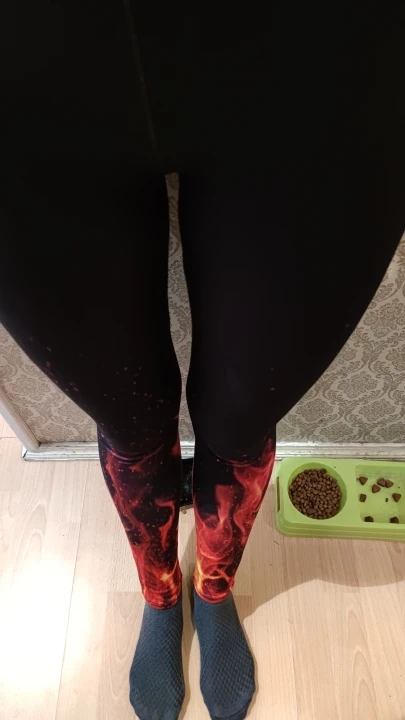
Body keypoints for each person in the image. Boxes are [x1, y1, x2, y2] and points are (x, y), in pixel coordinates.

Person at [0, 3, 404, 719]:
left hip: (318, 53)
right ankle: (161, 595)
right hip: (28, 68)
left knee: (241, 415)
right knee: (128, 415)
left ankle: (212, 590)